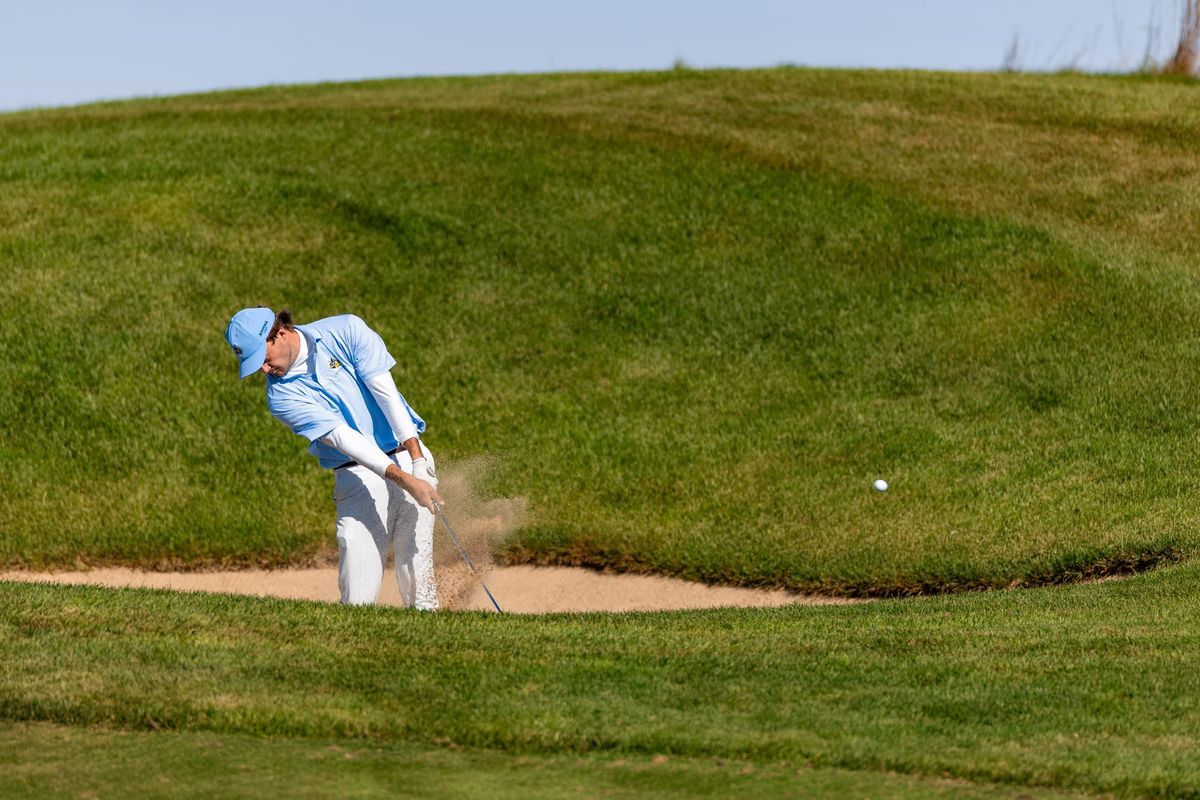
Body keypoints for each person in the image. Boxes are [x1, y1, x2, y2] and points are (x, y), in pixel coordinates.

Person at [224, 307, 443, 609]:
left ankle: (428, 638)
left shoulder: (346, 330)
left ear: (281, 334)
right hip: (356, 475)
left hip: (408, 451)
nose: (263, 370)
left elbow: (387, 394)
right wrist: (405, 479)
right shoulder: (280, 398)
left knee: (418, 574)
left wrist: (418, 462)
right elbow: (344, 439)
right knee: (357, 594)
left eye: (262, 358)